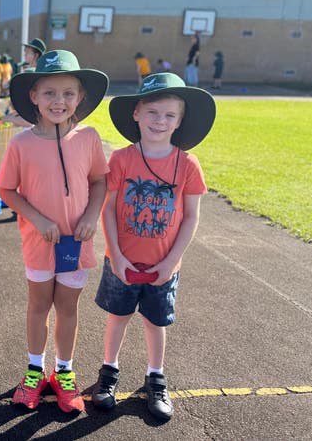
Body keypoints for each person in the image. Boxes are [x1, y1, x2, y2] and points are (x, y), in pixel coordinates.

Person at [92, 72, 216, 421]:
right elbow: (110, 209)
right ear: (136, 114)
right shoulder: (120, 159)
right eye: (152, 112)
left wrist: (171, 262)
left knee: (155, 323)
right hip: (121, 261)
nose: (160, 121)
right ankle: (108, 372)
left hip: (163, 264)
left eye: (169, 115)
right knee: (118, 318)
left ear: (179, 122)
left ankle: (155, 377)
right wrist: (115, 255)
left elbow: (190, 217)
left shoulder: (188, 164)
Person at [0, 50, 109, 414]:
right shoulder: (21, 143)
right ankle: (34, 371)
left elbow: (99, 181)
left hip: (77, 243)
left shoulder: (88, 137)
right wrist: (39, 220)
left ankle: (64, 373)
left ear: (80, 97)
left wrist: (92, 215)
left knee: (67, 308)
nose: (58, 101)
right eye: (49, 93)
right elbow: (7, 191)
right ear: (33, 96)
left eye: (68, 93)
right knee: (38, 306)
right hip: (39, 242)